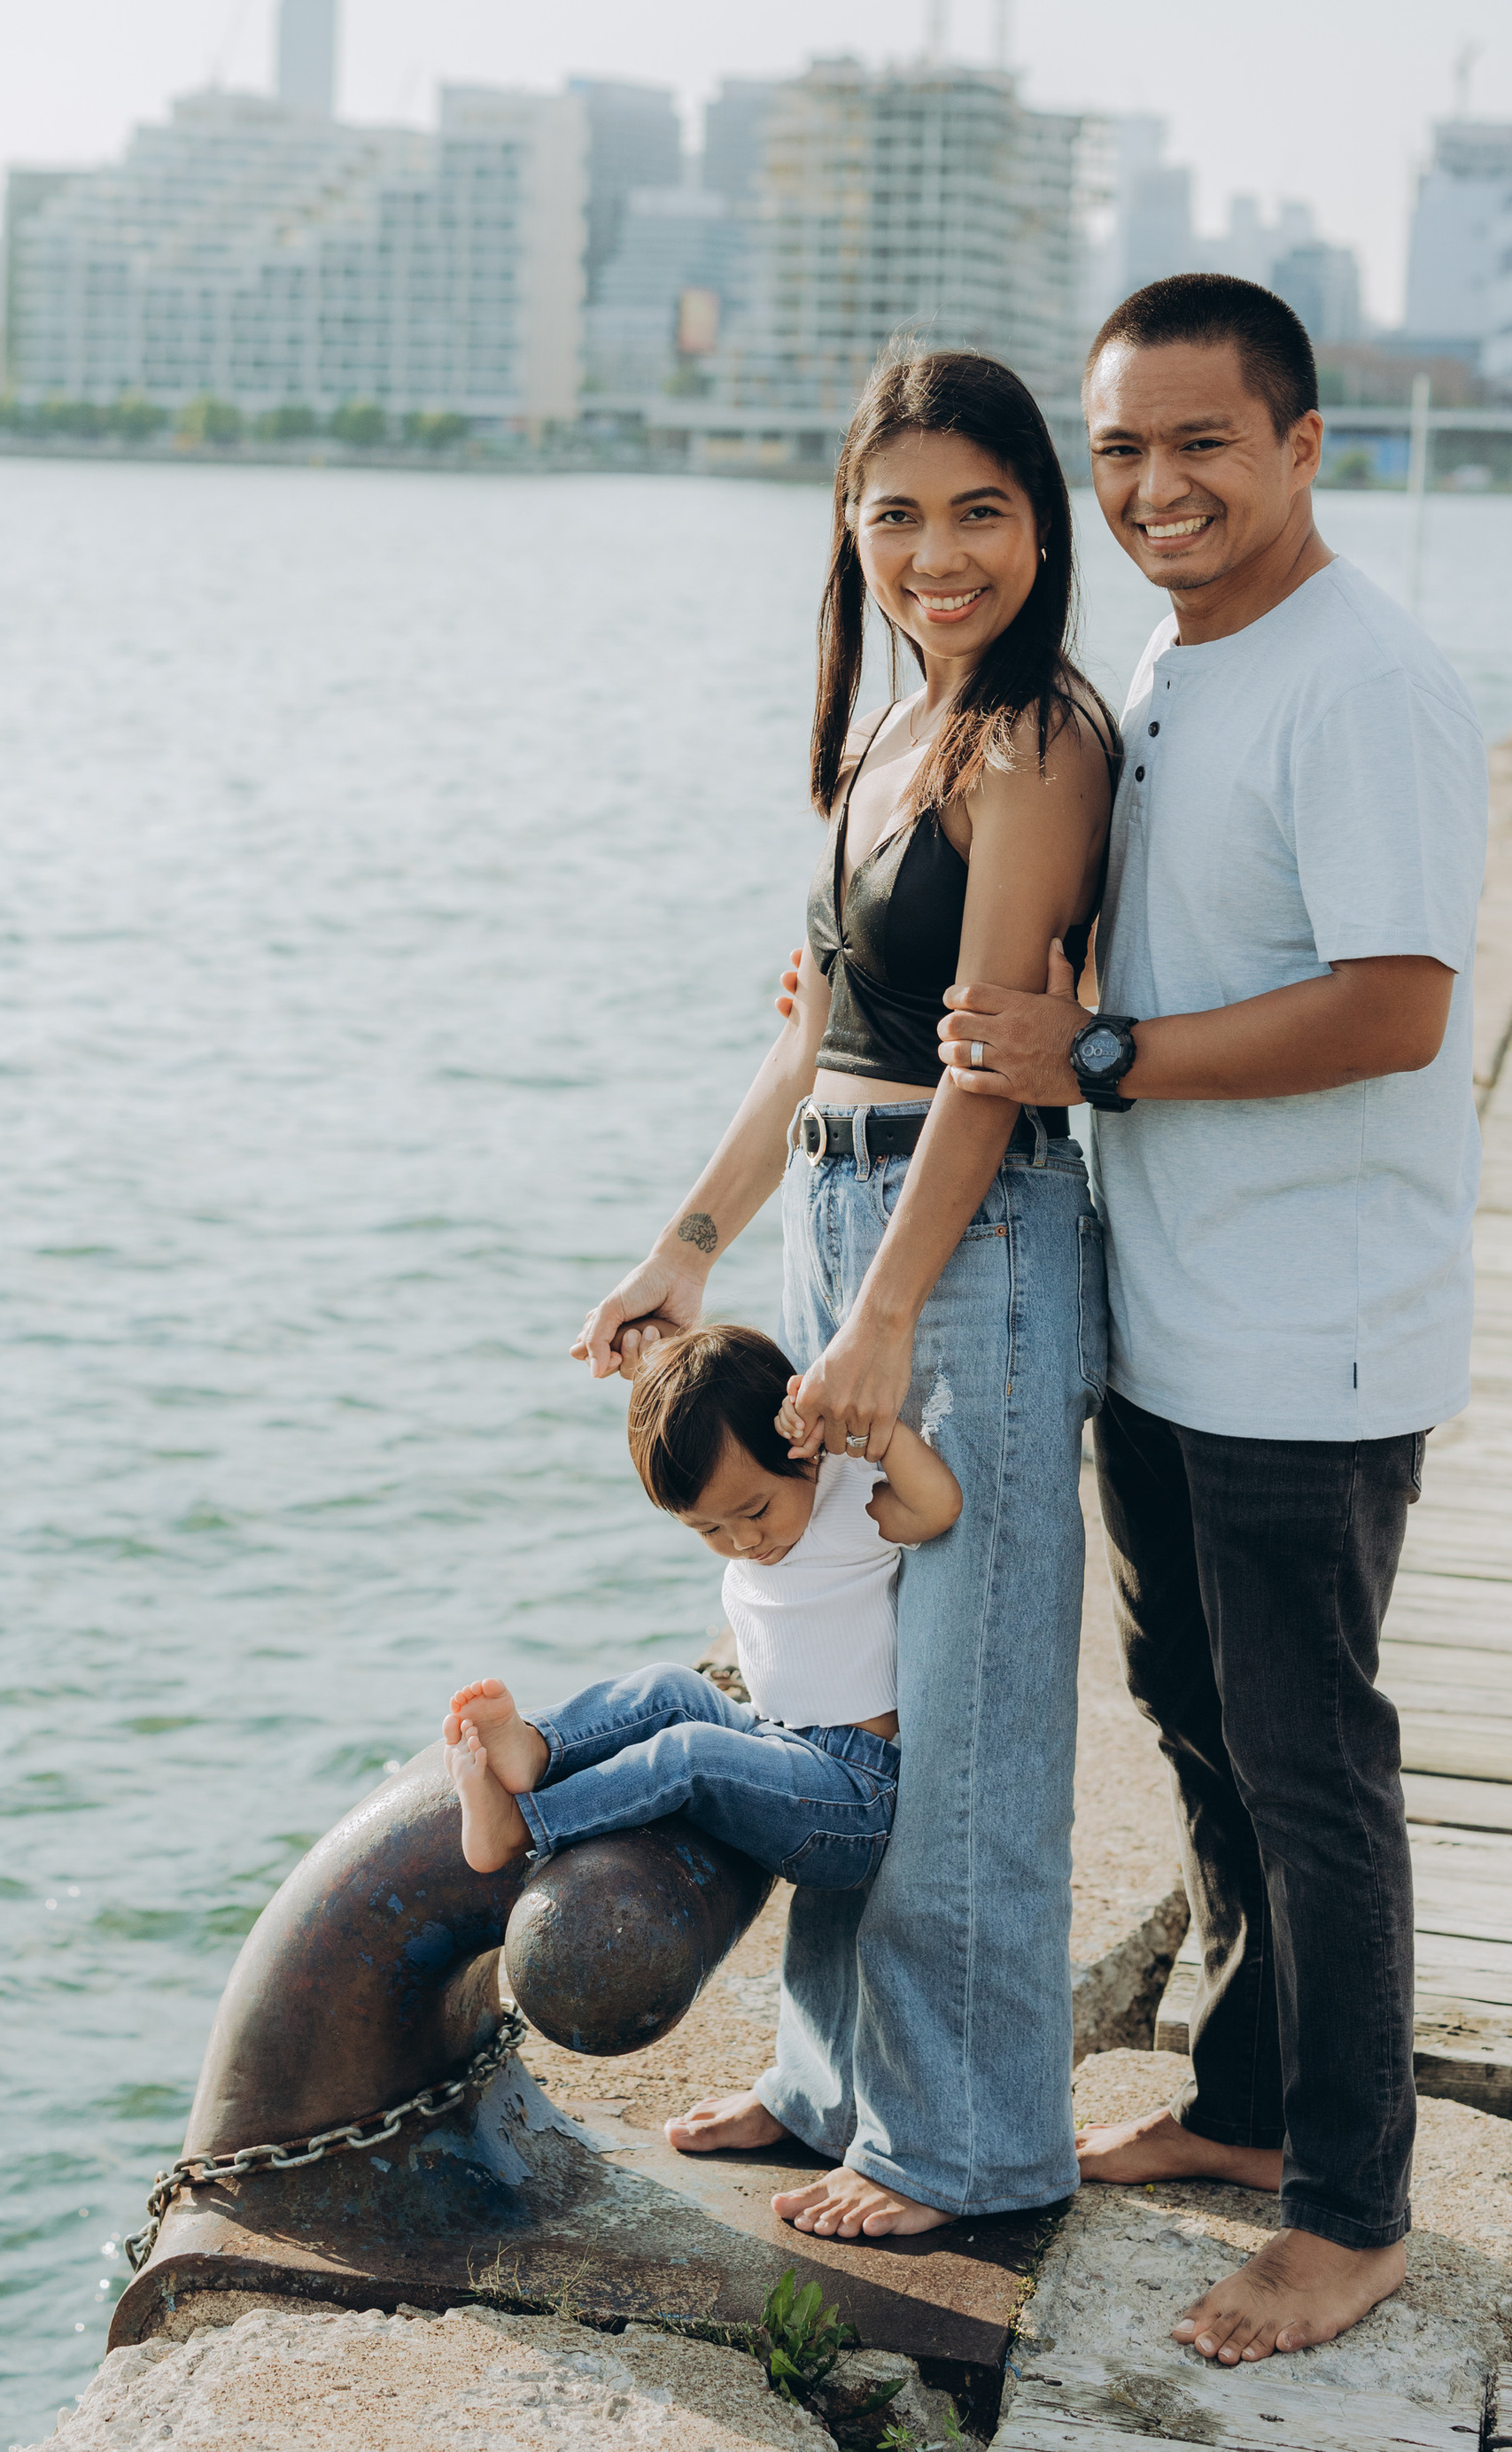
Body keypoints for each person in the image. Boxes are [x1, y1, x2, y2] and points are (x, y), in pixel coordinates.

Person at [934, 273, 1487, 2369]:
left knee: (1306, 1757)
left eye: (1201, 444)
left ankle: (1350, 2208)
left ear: (1301, 446)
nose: (1156, 485)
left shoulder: (1363, 681)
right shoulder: (1181, 654)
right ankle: (1251, 2107)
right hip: (1169, 1315)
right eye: (1124, 450)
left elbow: (1388, 1002)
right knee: (1195, 1718)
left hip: (1311, 1332)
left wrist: (1090, 1060)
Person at [575, 346, 1118, 2243]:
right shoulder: (893, 733)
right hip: (841, 1225)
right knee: (839, 1693)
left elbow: (978, 1063)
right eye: (895, 514)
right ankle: (829, 2089)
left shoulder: (1035, 735)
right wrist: (687, 1246)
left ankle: (967, 2150)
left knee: (960, 1722)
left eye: (977, 510)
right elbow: (814, 1041)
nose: (935, 551)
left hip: (961, 1254)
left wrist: (882, 1314)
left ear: (1041, 524)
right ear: (849, 528)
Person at [442, 1323, 959, 1878]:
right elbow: (697, 1420)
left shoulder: (848, 1499)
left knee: (687, 1756)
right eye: (708, 1529)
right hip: (773, 1740)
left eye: (757, 1511)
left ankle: (523, 1827)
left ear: (803, 1456)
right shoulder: (750, 1516)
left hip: (853, 1796)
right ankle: (539, 1748)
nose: (743, 1542)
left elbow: (938, 1507)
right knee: (668, 1687)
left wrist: (849, 1424)